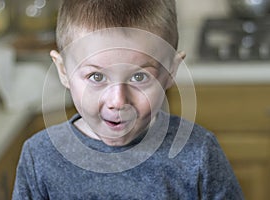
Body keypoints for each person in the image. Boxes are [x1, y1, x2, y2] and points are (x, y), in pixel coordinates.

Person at [13, 0, 244, 199]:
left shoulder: (199, 153)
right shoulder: (39, 158)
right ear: (64, 71)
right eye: (96, 76)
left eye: (139, 76)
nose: (118, 100)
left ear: (170, 71)